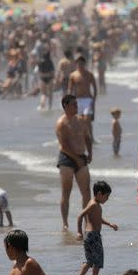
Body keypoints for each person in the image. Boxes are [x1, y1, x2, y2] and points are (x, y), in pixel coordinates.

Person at [56, 94, 92, 230]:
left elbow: (87, 138)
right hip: (66, 159)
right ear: (65, 106)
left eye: (77, 104)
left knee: (86, 192)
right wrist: (76, 159)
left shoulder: (81, 120)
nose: (77, 107)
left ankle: (86, 220)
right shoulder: (61, 123)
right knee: (66, 191)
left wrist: (90, 153)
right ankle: (65, 223)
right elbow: (63, 145)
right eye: (74, 105)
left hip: (81, 157)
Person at [76, 181, 118, 275]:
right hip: (93, 235)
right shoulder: (94, 204)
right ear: (99, 194)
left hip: (89, 236)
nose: (107, 199)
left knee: (90, 260)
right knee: (98, 261)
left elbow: (98, 219)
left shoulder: (95, 204)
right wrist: (78, 231)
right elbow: (80, 215)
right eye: (106, 196)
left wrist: (109, 224)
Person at [67, 55, 98, 141]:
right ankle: (79, 138)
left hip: (87, 100)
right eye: (78, 63)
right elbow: (70, 88)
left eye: (82, 63)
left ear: (84, 64)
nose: (80, 65)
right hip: (77, 100)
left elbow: (95, 87)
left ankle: (91, 138)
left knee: (87, 120)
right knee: (78, 120)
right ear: (76, 64)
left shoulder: (89, 74)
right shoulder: (73, 75)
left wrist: (94, 99)